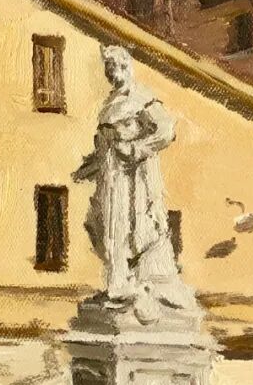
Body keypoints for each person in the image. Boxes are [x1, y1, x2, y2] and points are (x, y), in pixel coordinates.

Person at [74, 45, 196, 323]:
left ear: (125, 67)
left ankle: (132, 284)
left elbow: (165, 130)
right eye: (107, 68)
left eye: (114, 67)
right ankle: (120, 283)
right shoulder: (111, 102)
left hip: (133, 179)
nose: (110, 73)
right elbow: (105, 146)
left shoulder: (141, 97)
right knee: (99, 225)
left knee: (131, 227)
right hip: (110, 177)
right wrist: (89, 166)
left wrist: (137, 149)